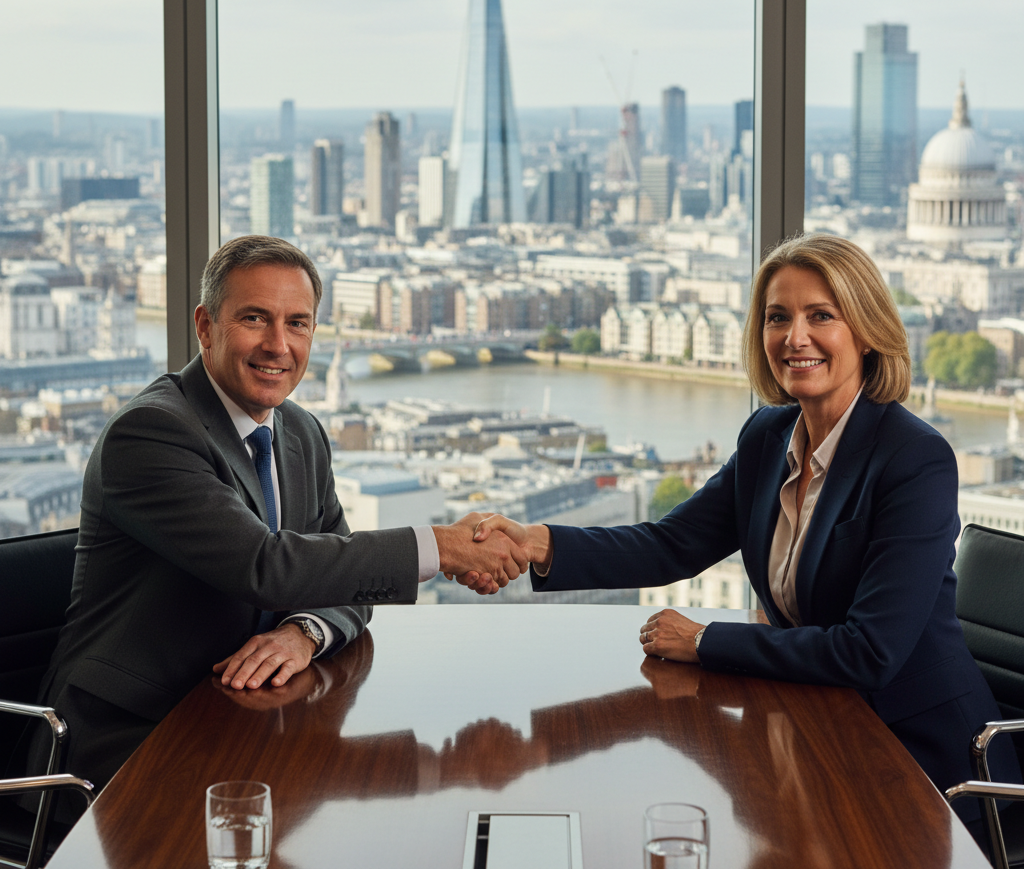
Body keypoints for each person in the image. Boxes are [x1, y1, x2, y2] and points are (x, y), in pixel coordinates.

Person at [472, 233, 1020, 823]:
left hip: (926, 767)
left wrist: (705, 641)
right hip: (817, 727)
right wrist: (537, 543)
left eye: (821, 316)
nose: (794, 337)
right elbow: (673, 544)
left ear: (865, 331)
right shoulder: (767, 436)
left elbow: (870, 652)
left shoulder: (914, 459)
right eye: (777, 317)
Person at [32, 235, 525, 799]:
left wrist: (305, 631)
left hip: (246, 720)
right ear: (205, 325)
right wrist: (444, 546)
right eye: (254, 318)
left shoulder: (300, 433)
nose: (278, 345)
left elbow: (344, 578)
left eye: (298, 323)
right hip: (130, 744)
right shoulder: (150, 434)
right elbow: (267, 567)